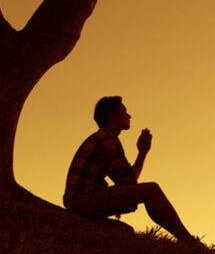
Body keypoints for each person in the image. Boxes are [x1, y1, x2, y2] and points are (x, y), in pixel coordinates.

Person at [63, 96, 196, 243]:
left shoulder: (102, 138)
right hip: (83, 200)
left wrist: (142, 152)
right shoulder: (107, 138)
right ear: (112, 115)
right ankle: (188, 241)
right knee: (152, 190)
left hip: (80, 201)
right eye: (124, 111)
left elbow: (126, 182)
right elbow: (130, 182)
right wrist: (143, 152)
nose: (129, 115)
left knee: (125, 231)